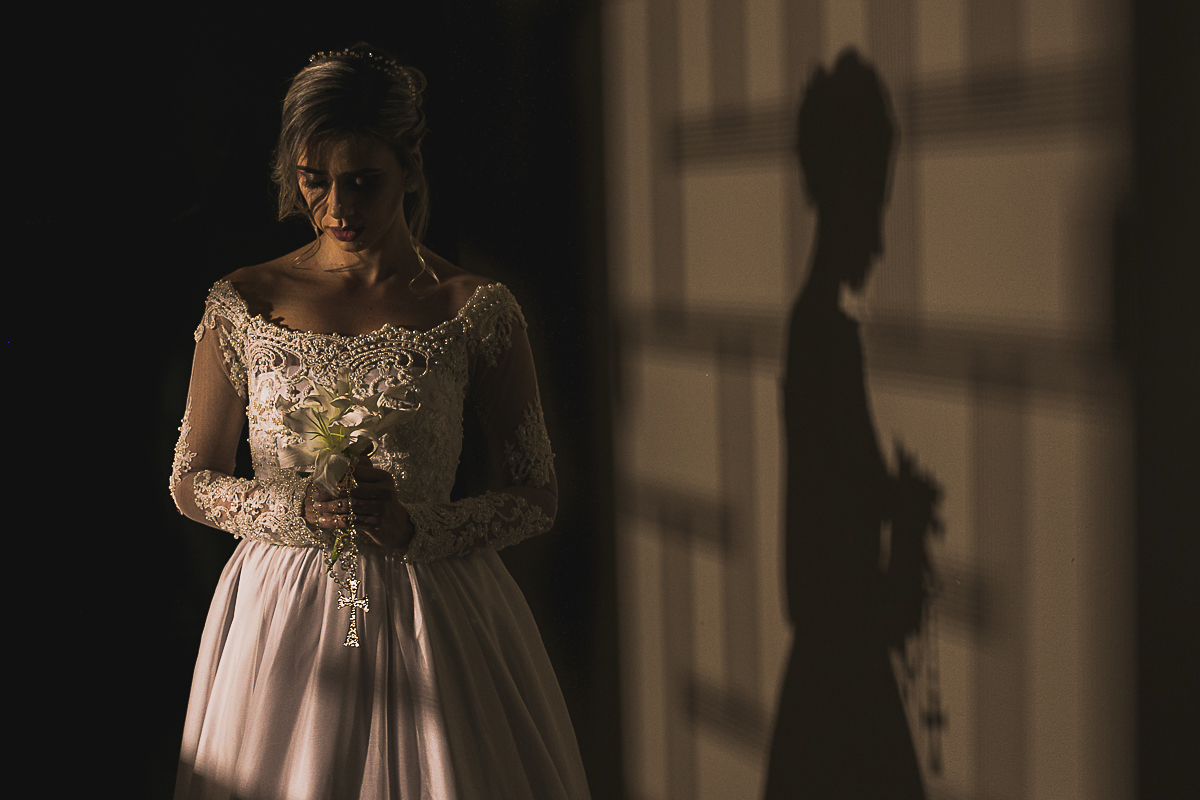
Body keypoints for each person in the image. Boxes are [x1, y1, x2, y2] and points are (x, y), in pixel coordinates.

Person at [170, 44, 591, 800]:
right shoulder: (243, 301)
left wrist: (417, 529)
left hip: (435, 620)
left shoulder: (474, 309)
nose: (337, 208)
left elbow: (539, 495)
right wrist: (290, 508)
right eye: (315, 181)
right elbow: (190, 479)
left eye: (363, 182)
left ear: (412, 161)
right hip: (279, 621)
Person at [762, 50, 939, 799]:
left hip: (835, 687)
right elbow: (818, 580)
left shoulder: (824, 330)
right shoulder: (823, 337)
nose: (880, 236)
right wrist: (900, 520)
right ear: (838, 191)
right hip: (843, 699)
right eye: (873, 200)